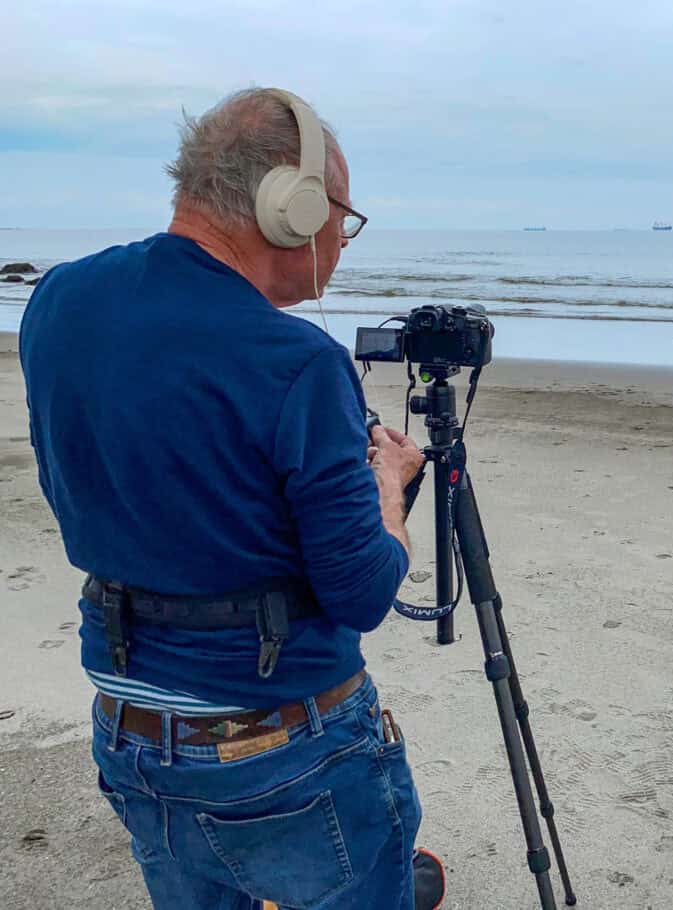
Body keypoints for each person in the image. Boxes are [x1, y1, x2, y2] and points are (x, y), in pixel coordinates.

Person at [19, 88, 445, 909]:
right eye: (342, 216)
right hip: (282, 748)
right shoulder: (294, 361)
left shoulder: (59, 300)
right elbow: (361, 593)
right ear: (292, 206)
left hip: (128, 728)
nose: (339, 241)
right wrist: (387, 487)